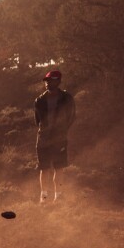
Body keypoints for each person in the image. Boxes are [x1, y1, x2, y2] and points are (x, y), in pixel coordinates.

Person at [34, 69, 75, 202]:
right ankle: (44, 197)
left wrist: (61, 130)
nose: (48, 83)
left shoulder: (67, 98)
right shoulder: (39, 100)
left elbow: (71, 117)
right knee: (44, 168)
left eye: (51, 80)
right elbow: (38, 121)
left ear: (58, 81)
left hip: (59, 138)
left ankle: (58, 196)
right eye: (46, 81)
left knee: (59, 167)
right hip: (43, 138)